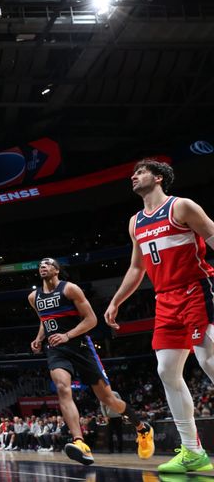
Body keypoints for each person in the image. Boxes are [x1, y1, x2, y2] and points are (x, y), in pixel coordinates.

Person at [105, 159, 214, 474]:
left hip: (195, 289)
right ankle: (193, 452)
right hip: (164, 300)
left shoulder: (182, 207)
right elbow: (137, 268)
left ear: (158, 177)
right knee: (166, 370)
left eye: (140, 172)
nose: (133, 176)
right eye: (133, 173)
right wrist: (116, 301)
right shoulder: (135, 222)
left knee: (209, 362)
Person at [28, 257, 154, 466]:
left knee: (108, 399)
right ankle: (80, 442)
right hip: (56, 350)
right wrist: (39, 338)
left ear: (57, 270)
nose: (43, 266)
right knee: (62, 389)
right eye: (40, 264)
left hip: (80, 347)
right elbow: (45, 319)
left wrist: (67, 335)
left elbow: (91, 320)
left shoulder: (70, 289)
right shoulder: (34, 297)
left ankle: (141, 427)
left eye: (48, 264)